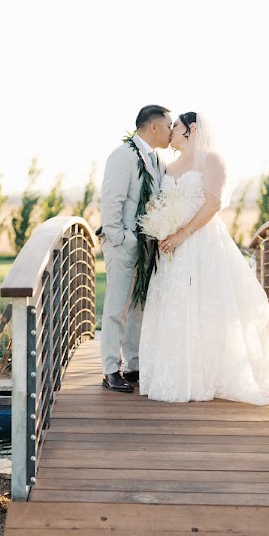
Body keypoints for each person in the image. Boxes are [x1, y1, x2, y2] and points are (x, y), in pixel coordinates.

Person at [138, 112, 269, 404]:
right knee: (175, 304)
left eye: (175, 126)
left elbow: (213, 202)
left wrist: (183, 232)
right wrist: (161, 228)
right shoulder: (168, 166)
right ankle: (179, 373)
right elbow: (163, 203)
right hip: (171, 248)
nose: (171, 132)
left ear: (191, 128)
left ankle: (214, 372)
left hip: (201, 240)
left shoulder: (210, 160)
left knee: (209, 304)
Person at [97, 105, 171, 392]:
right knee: (117, 307)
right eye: (167, 126)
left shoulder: (157, 159)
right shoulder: (123, 156)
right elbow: (111, 202)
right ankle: (109, 369)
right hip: (125, 245)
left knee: (138, 306)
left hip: (147, 246)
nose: (169, 131)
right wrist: (122, 239)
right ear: (153, 127)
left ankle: (134, 364)